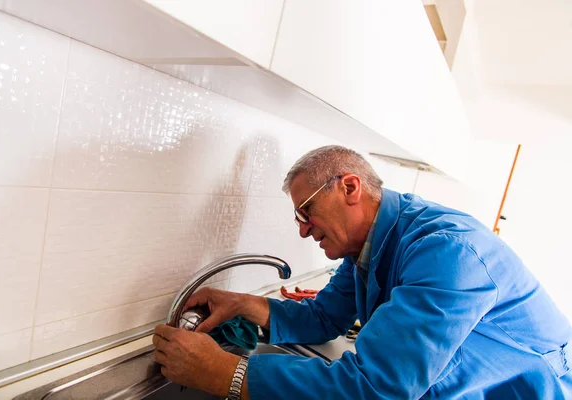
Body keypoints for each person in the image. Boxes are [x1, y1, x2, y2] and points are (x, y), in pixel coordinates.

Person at [153, 145, 572, 399]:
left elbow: (376, 389)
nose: (302, 230)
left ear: (349, 188)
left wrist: (223, 372)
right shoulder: (370, 246)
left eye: (307, 211)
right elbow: (324, 317)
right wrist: (244, 303)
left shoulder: (446, 252)